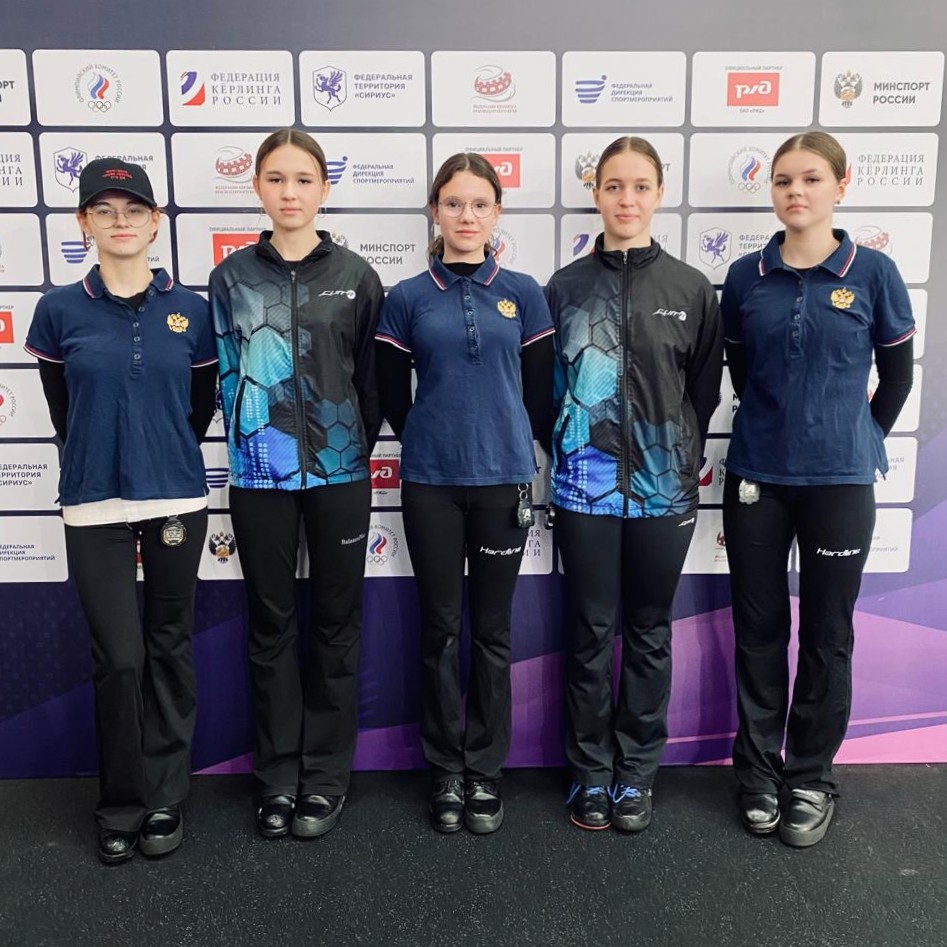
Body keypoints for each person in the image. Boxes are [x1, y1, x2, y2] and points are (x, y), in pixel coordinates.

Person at [721, 131, 914, 847]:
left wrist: (855, 438)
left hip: (839, 482)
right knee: (759, 632)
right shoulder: (745, 275)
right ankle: (756, 774)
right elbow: (742, 373)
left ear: (840, 184)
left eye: (809, 178)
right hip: (756, 477)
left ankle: (809, 776)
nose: (795, 191)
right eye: (783, 180)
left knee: (828, 634)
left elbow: (897, 378)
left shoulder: (874, 272)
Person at [25, 158, 217, 864]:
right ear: (84, 223)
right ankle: (122, 802)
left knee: (169, 646)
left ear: (155, 221)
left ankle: (165, 797)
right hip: (92, 502)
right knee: (120, 658)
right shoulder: (58, 310)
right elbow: (63, 409)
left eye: (133, 209)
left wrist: (157, 453)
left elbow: (197, 408)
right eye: (104, 210)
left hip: (175, 497)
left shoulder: (193, 311)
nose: (120, 221)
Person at [545, 136, 724, 832]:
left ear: (659, 193)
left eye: (640, 186)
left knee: (648, 631)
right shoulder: (563, 287)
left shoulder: (690, 288)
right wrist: (571, 452)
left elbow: (702, 392)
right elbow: (546, 391)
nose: (627, 199)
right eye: (614, 186)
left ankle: (636, 774)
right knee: (590, 631)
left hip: (662, 490)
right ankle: (590, 772)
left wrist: (671, 456)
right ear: (596, 193)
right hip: (583, 487)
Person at [209, 128, 383, 840]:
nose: (290, 192)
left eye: (303, 179)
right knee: (271, 624)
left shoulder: (356, 276)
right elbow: (222, 376)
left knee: (336, 626)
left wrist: (345, 451)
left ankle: (325, 778)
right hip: (258, 476)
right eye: (276, 179)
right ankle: (277, 776)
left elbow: (372, 383)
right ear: (257, 187)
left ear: (323, 189)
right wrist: (252, 446)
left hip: (339, 475)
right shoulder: (230, 278)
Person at [374, 153, 554, 834]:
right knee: (440, 628)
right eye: (453, 203)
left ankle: (484, 769)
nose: (466, 215)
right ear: (434, 211)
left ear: (496, 211)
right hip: (431, 484)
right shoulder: (406, 296)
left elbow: (540, 391)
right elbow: (391, 395)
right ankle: (444, 769)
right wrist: (432, 438)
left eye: (479, 203)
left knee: (493, 632)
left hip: (503, 481)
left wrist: (507, 444)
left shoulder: (524, 293)